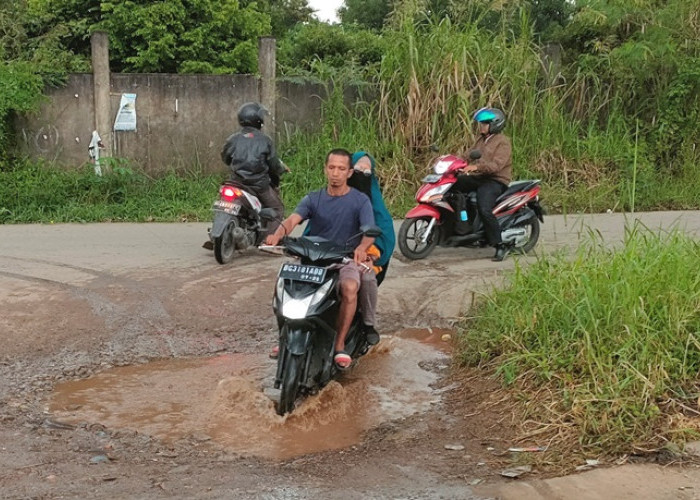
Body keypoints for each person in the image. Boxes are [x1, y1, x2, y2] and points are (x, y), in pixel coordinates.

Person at [265, 148, 377, 370]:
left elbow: (369, 232)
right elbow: (293, 220)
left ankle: (339, 343)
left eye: (341, 169)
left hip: (343, 259)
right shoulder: (313, 198)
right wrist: (277, 235)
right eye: (332, 167)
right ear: (325, 169)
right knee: (282, 285)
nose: (336, 173)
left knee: (350, 286)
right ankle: (284, 337)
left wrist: (363, 248)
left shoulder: (360, 201)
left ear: (349, 172)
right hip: (312, 258)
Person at [453, 107, 513, 262]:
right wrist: (453, 162)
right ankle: (463, 226)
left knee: (484, 207)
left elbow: (496, 166)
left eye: (484, 123)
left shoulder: (503, 143)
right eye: (480, 123)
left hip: (495, 180)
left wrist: (476, 167)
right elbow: (468, 155)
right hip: (479, 177)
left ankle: (500, 245)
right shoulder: (481, 140)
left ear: (495, 124)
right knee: (453, 185)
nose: (481, 126)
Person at [221, 102, 288, 230]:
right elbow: (274, 165)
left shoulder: (233, 139)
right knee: (277, 209)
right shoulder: (265, 140)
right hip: (258, 185)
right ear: (259, 120)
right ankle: (269, 241)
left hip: (236, 183)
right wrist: (281, 170)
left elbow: (225, 157)